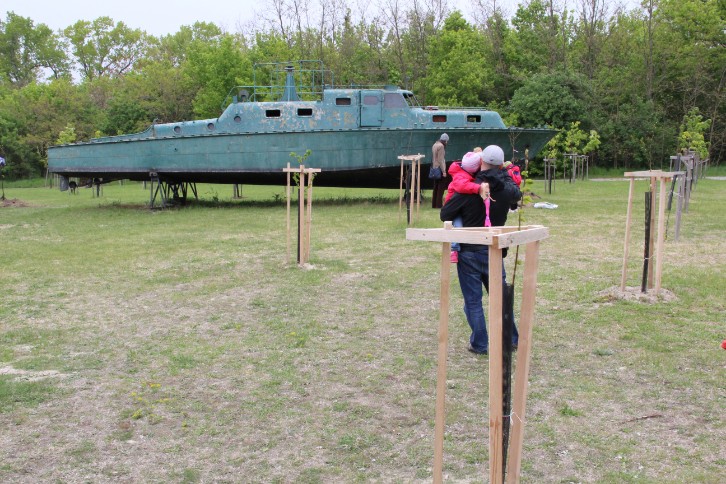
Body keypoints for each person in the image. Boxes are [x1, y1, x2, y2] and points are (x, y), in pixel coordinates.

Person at [440, 145, 522, 355]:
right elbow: (515, 195)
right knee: (501, 298)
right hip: (494, 249)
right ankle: (511, 339)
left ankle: (480, 343)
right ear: (501, 165)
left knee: (473, 301)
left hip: (469, 252)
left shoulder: (470, 186)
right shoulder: (506, 189)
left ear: (481, 161)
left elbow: (445, 214)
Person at [445, 150, 485, 263]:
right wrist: (478, 188)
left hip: (461, 206)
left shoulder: (464, 171)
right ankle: (454, 249)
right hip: (454, 208)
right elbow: (463, 186)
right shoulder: (460, 176)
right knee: (458, 226)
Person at [431, 133, 449, 209]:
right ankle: (439, 205)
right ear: (445, 140)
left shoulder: (435, 145)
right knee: (441, 187)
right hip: (440, 168)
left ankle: (434, 204)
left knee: (435, 186)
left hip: (434, 167)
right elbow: (441, 160)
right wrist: (444, 171)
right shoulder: (441, 146)